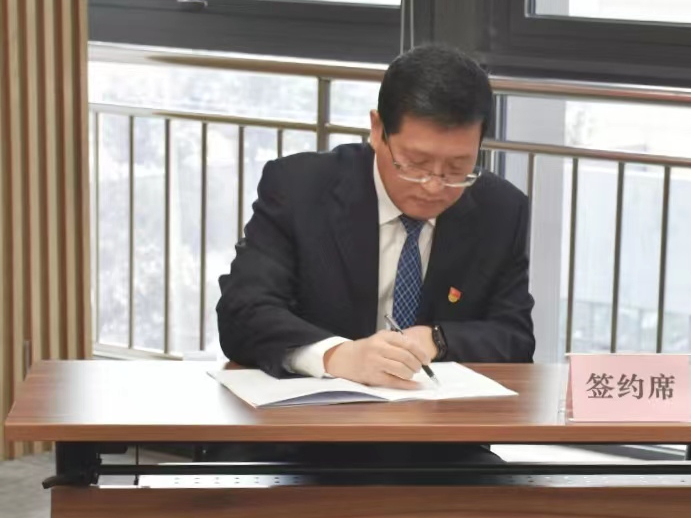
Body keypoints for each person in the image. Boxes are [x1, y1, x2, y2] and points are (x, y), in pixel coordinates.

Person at [215, 43, 534, 466]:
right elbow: (242, 312)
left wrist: (436, 339)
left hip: (436, 446)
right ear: (377, 130)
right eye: (415, 163)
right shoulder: (299, 188)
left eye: (458, 168)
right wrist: (337, 356)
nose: (434, 186)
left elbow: (515, 338)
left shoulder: (501, 210)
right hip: (299, 440)